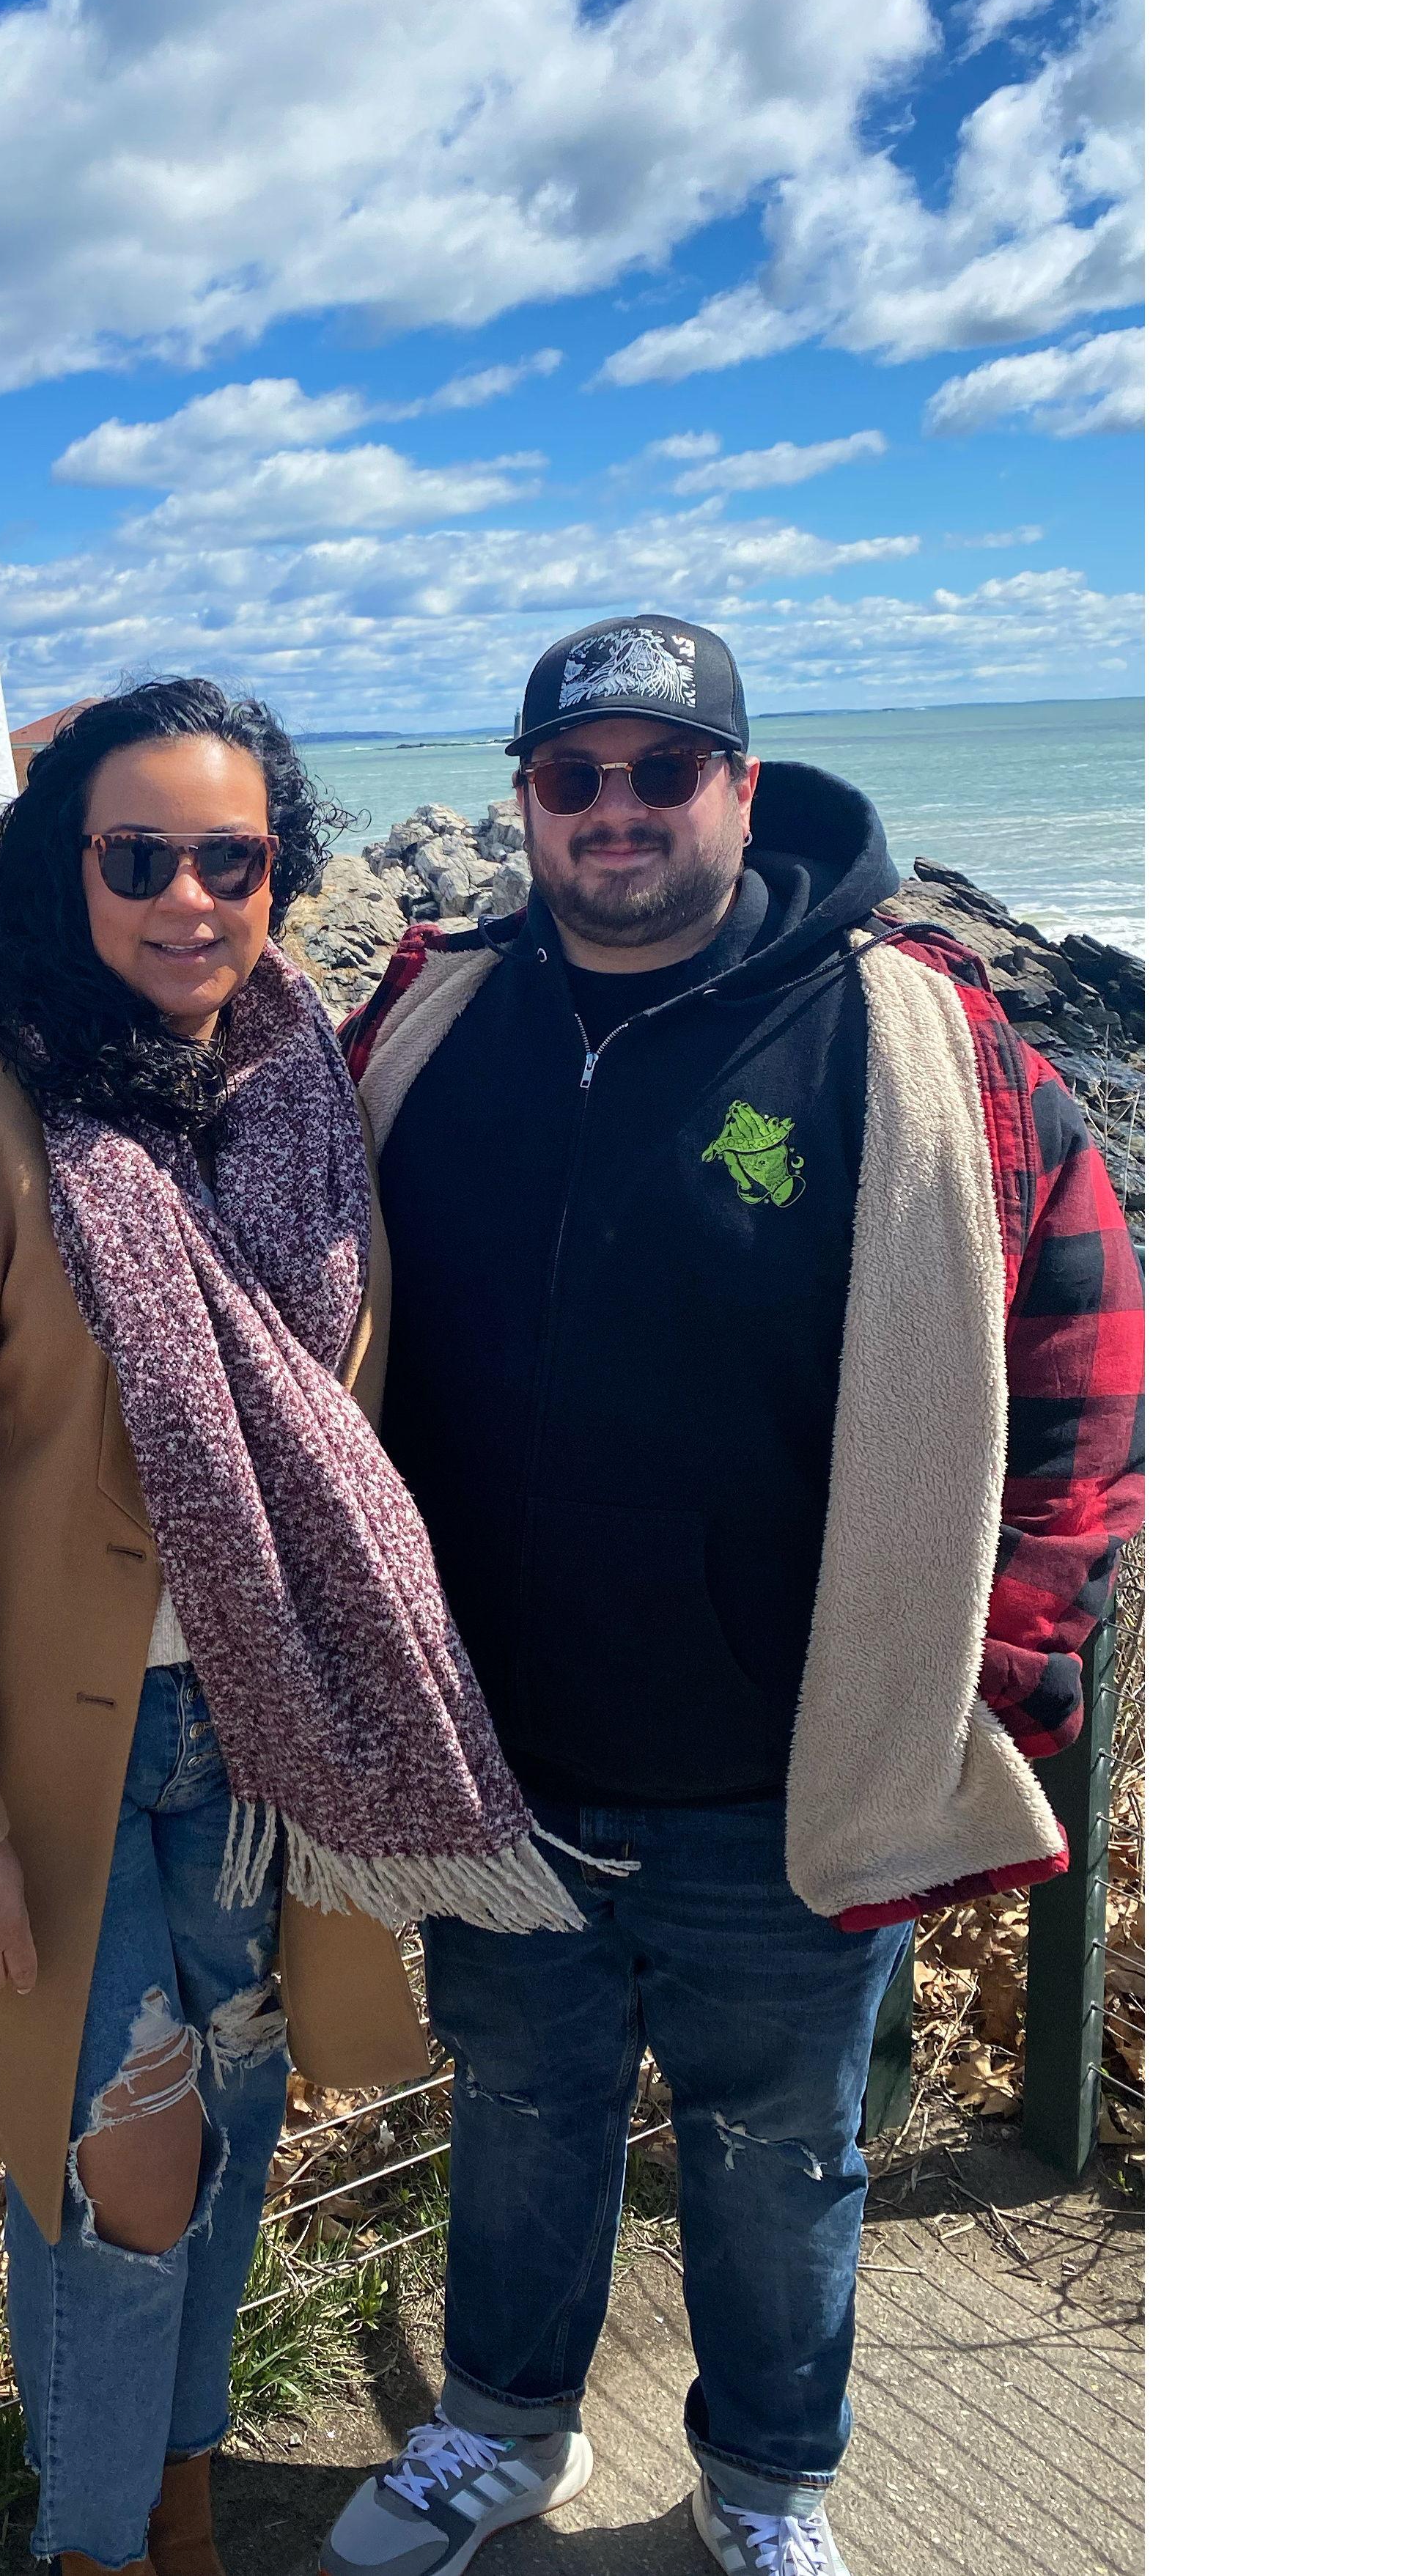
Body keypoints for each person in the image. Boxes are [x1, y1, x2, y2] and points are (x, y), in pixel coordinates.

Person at [314, 617, 1145, 2576]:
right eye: (569, 774)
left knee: (784, 2159)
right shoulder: (424, 1026)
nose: (613, 808)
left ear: (740, 793)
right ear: (523, 799)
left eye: (657, 769)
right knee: (518, 2113)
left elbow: (1080, 1389)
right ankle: (502, 2431)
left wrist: (998, 1684)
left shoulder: (921, 1044)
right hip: (490, 1752)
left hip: (790, 1767)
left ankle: (769, 2482)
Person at [0, 678, 586, 2576]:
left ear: (275, 875)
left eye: (224, 858)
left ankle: (178, 2510)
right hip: (41, 1763)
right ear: (58, 874)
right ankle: (91, 2544)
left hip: (256, 1736)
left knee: (219, 2149)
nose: (181, 897)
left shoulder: (307, 1099)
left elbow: (345, 1417)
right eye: (133, 857)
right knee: (122, 2163)